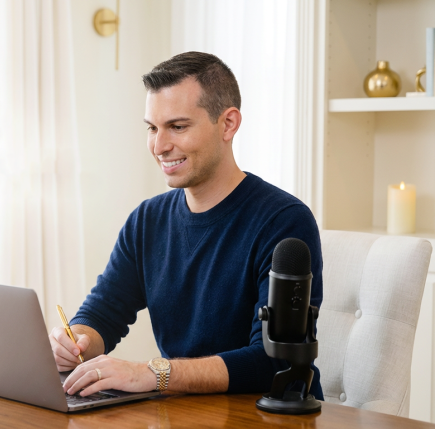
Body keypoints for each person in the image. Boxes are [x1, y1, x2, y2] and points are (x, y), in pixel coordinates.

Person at [49, 51, 323, 399]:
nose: (160, 146)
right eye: (152, 128)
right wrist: (75, 343)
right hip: (183, 414)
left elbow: (274, 362)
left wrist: (152, 373)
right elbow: (103, 313)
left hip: (267, 416)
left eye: (177, 127)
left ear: (228, 124)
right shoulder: (147, 220)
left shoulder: (284, 221)